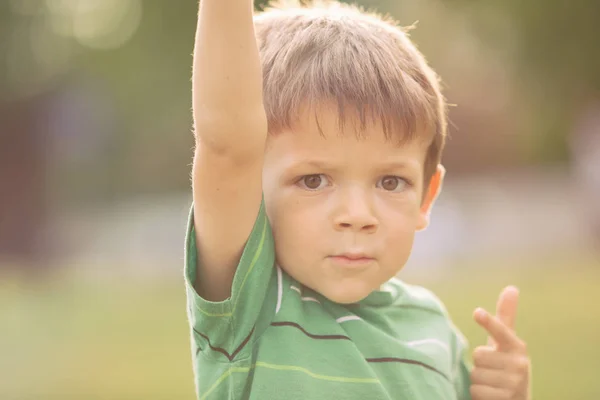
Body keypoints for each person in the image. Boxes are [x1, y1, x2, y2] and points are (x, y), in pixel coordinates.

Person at [184, 1, 531, 399]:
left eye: (390, 182)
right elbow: (228, 146)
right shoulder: (250, 306)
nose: (358, 215)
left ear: (426, 196)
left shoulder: (433, 331)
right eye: (313, 180)